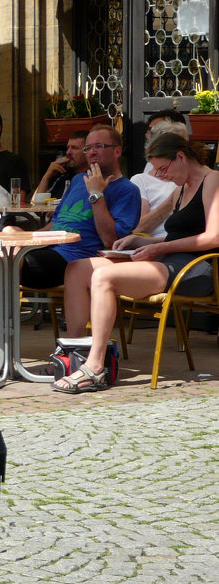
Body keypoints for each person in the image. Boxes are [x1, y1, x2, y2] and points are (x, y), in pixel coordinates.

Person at [55, 133, 219, 393]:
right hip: (168, 260)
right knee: (80, 268)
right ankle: (76, 353)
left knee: (104, 278)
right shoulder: (181, 188)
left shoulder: (212, 180)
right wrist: (135, 241)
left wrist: (158, 247)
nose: (161, 176)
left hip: (196, 268)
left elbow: (213, 236)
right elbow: (173, 234)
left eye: (163, 168)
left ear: (180, 157)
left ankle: (95, 366)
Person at [13, 125, 141, 289]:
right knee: (9, 235)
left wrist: (96, 194)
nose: (92, 152)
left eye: (99, 146)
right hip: (49, 248)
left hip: (76, 259)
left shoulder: (127, 190)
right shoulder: (78, 180)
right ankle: (0, 309)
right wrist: (25, 238)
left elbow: (111, 241)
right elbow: (55, 224)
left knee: (10, 261)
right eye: (88, 148)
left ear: (117, 151)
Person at [130, 117, 186, 239]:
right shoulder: (140, 180)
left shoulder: (191, 179)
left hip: (184, 244)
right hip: (152, 244)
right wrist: (172, 200)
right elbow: (138, 228)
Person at [33, 130, 89, 201]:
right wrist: (46, 177)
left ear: (87, 151)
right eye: (68, 147)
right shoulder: (63, 177)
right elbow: (39, 204)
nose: (68, 152)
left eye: (74, 148)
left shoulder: (93, 179)